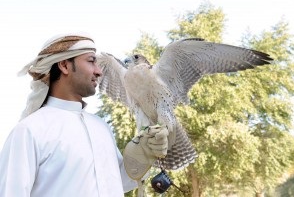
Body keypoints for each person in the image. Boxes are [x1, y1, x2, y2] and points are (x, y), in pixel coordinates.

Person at [0, 33, 168, 197]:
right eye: (91, 61)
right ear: (64, 66)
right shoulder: (30, 130)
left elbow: (118, 183)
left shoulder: (101, 126)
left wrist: (145, 152)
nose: (99, 71)